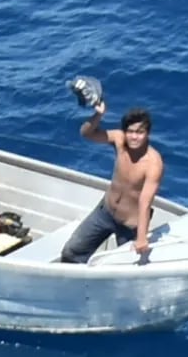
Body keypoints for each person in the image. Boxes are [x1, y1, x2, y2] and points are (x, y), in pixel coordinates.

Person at [60, 102, 164, 263]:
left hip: (130, 227)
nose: (134, 137)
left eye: (139, 132)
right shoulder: (119, 140)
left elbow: (145, 202)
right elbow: (86, 133)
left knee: (126, 267)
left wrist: (142, 238)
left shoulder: (153, 164)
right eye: (130, 131)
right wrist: (99, 115)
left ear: (147, 134)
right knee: (71, 252)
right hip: (105, 212)